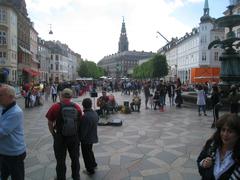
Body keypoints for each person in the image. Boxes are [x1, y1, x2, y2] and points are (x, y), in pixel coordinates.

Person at [46, 88, 82, 180]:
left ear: (61, 95)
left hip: (60, 137)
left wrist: (54, 134)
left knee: (60, 160)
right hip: (73, 137)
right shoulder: (77, 107)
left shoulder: (55, 107)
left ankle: (61, 177)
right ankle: (76, 176)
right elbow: (80, 122)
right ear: (71, 96)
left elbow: (50, 123)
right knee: (75, 159)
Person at [197, 113, 240, 180]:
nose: (225, 134)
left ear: (238, 135)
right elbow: (199, 160)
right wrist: (203, 163)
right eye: (223, 130)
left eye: (230, 131)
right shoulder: (212, 145)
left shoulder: (238, 156)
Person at [0, 84, 26, 180]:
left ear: (10, 97)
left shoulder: (16, 112)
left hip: (14, 153)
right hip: (4, 151)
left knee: (17, 177)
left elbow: (2, 132)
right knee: (3, 175)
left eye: (0, 95)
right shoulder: (2, 107)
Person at [79, 98, 98, 175]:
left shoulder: (85, 116)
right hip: (92, 136)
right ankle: (93, 164)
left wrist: (79, 139)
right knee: (90, 151)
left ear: (83, 106)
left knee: (86, 154)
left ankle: (90, 170)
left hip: (86, 139)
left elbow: (83, 131)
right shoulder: (94, 113)